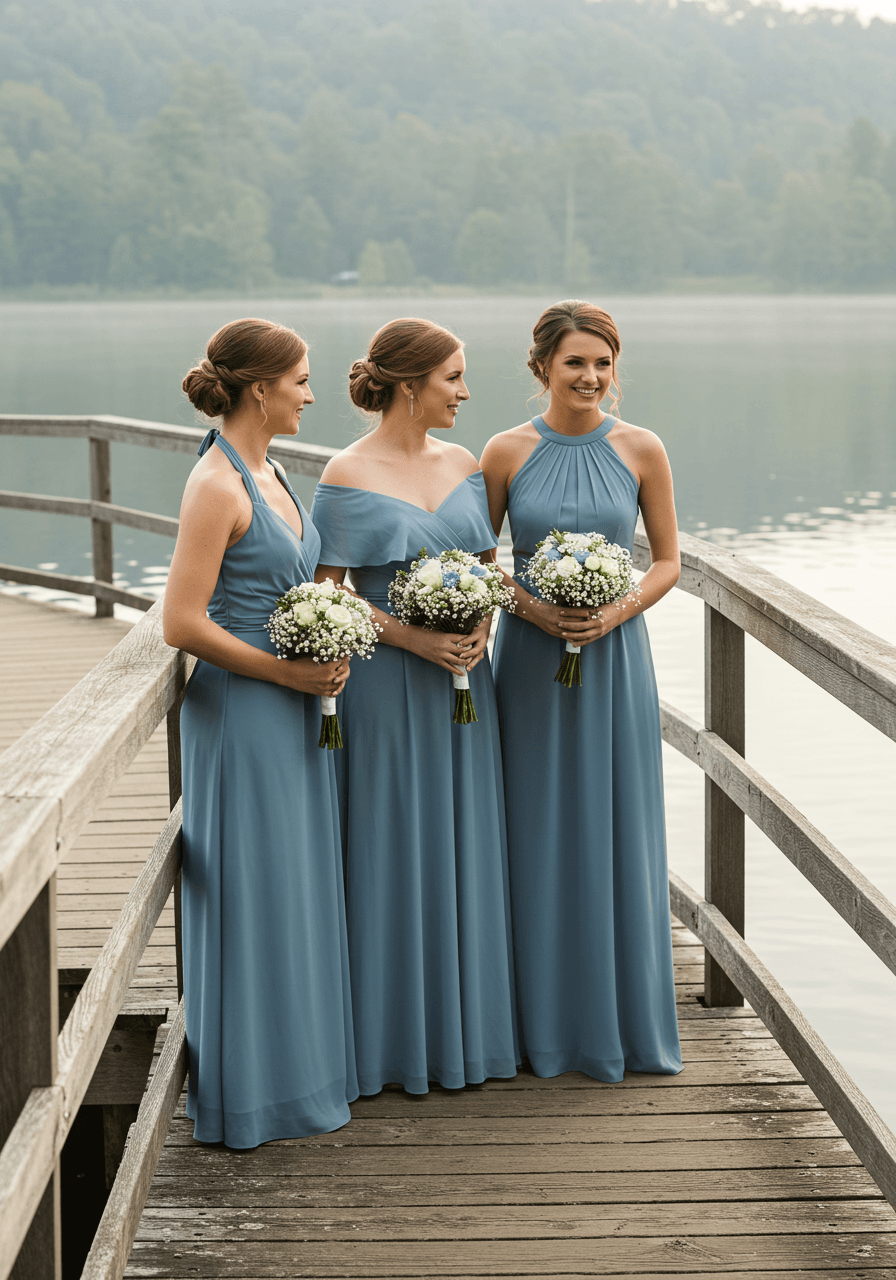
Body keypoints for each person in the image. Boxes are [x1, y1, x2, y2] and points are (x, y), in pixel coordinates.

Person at [310, 317, 519, 1096]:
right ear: (408, 385)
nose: (464, 392)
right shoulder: (346, 472)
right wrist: (411, 638)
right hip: (387, 691)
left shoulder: (465, 465)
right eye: (452, 378)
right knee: (393, 846)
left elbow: (489, 570)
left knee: (467, 843)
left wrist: (482, 625)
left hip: (466, 686)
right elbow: (326, 595)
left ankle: (470, 1034)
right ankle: (392, 1045)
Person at [163, 317, 358, 1147]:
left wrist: (331, 633)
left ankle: (302, 1075)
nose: (311, 395)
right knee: (253, 895)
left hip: (293, 710)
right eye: (301, 381)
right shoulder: (216, 484)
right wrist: (284, 673)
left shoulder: (271, 469)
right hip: (244, 715)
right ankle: (250, 1098)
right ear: (258, 389)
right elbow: (180, 621)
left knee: (295, 891)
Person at [480, 299, 682, 1082]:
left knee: (613, 824)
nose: (591, 376)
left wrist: (615, 610)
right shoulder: (504, 451)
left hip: (615, 659)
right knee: (532, 824)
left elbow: (666, 561)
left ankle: (615, 1024)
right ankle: (534, 1026)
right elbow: (481, 561)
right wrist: (534, 609)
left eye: (603, 363)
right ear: (542, 368)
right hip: (529, 664)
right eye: (575, 363)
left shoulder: (642, 448)